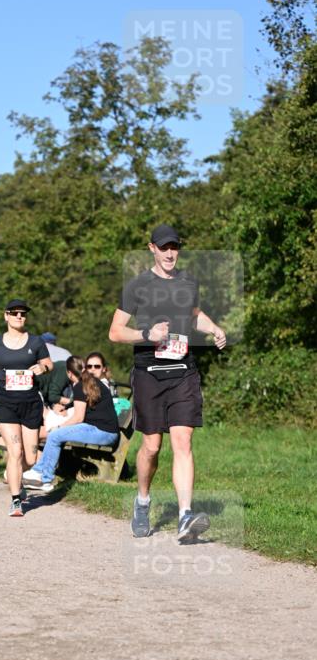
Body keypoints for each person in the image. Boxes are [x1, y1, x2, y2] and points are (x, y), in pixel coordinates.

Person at [109, 224, 226, 541]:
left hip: (183, 371)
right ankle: (142, 501)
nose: (170, 253)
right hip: (149, 373)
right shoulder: (138, 285)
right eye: (164, 247)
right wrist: (146, 334)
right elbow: (115, 332)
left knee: (183, 442)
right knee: (151, 447)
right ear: (152, 249)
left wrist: (214, 328)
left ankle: (185, 516)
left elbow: (195, 314)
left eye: (174, 247)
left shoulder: (188, 281)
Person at [0, 298, 52, 517]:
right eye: (15, 313)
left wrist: (42, 368)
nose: (19, 316)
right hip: (5, 403)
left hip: (30, 403)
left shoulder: (36, 342)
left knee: (30, 458)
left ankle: (14, 476)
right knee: (15, 451)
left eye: (23, 313)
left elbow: (48, 363)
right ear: (6, 316)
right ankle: (16, 500)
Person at [24, 356, 119, 492]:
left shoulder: (80, 386)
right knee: (56, 434)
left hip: (102, 432)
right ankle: (39, 472)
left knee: (55, 435)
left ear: (69, 373)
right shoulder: (92, 382)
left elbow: (78, 418)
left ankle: (44, 479)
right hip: (104, 431)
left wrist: (59, 427)